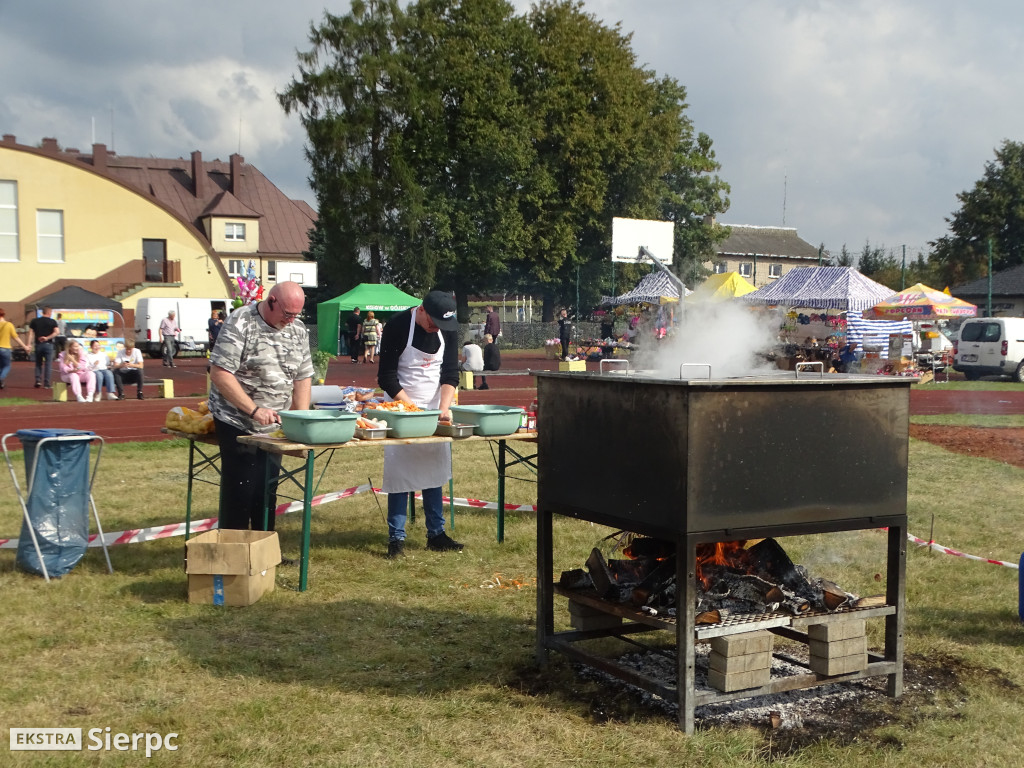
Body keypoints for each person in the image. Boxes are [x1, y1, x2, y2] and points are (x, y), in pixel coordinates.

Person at [209, 281, 314, 531]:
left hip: (274, 425)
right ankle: (235, 555)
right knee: (241, 490)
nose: (291, 320)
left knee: (267, 489)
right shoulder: (241, 322)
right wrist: (254, 410)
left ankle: (264, 551)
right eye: (287, 314)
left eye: (296, 315)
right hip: (237, 420)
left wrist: (300, 419)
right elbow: (220, 372)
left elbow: (303, 377)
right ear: (271, 302)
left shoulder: (298, 330)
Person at [378, 289, 463, 558]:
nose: (435, 327)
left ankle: (436, 533)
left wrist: (443, 409)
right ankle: (397, 537)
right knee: (400, 473)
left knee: (434, 470)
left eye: (442, 324)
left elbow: (450, 373)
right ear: (423, 310)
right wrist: (410, 409)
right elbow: (387, 377)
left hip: (435, 405)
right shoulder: (397, 326)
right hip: (401, 406)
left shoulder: (447, 327)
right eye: (432, 322)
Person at [28, 306, 60, 388]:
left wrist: (29, 344)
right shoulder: (52, 321)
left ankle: (38, 380)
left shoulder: (35, 321)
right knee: (48, 364)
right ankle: (47, 383)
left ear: (42, 312)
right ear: (50, 313)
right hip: (48, 344)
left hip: (38, 344)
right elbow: (57, 332)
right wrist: (47, 338)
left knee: (38, 363)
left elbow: (30, 333)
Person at [0, 308, 31, 390]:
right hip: (5, 348)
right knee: (7, 366)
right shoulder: (8, 325)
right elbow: (16, 338)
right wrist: (25, 347)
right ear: (3, 315)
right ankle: (1, 378)